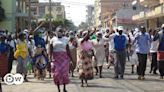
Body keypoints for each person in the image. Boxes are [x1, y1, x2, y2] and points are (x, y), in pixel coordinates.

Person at [50, 28, 73, 92]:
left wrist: (71, 59)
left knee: (64, 73)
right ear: (56, 32)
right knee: (57, 74)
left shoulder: (65, 39)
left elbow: (68, 50)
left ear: (62, 32)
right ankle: (58, 89)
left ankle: (64, 88)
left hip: (64, 58)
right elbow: (50, 50)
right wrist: (50, 58)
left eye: (61, 31)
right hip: (56, 58)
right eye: (58, 31)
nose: (59, 32)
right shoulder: (52, 39)